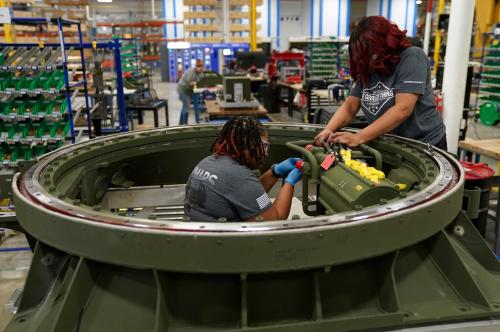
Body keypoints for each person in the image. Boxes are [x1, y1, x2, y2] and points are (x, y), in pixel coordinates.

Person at [315, 16, 447, 150]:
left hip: (424, 145)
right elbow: (350, 106)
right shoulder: (368, 68)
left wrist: (358, 137)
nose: (366, 61)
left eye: (370, 54)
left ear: (384, 45)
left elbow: (402, 109)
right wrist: (328, 130)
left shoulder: (412, 57)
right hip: (391, 145)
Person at [184, 116, 302, 221]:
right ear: (248, 144)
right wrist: (289, 182)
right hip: (221, 241)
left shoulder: (209, 161)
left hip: (199, 231)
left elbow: (248, 194)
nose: (266, 152)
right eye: (265, 145)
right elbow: (274, 221)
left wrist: (275, 172)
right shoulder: (239, 176)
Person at [177, 59, 205, 125]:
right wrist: (196, 83)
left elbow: (202, 80)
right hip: (183, 90)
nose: (200, 67)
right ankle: (185, 124)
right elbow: (189, 83)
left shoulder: (200, 73)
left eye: (201, 65)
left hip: (189, 91)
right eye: (198, 65)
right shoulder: (191, 72)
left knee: (184, 106)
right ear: (195, 66)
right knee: (186, 107)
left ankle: (181, 123)